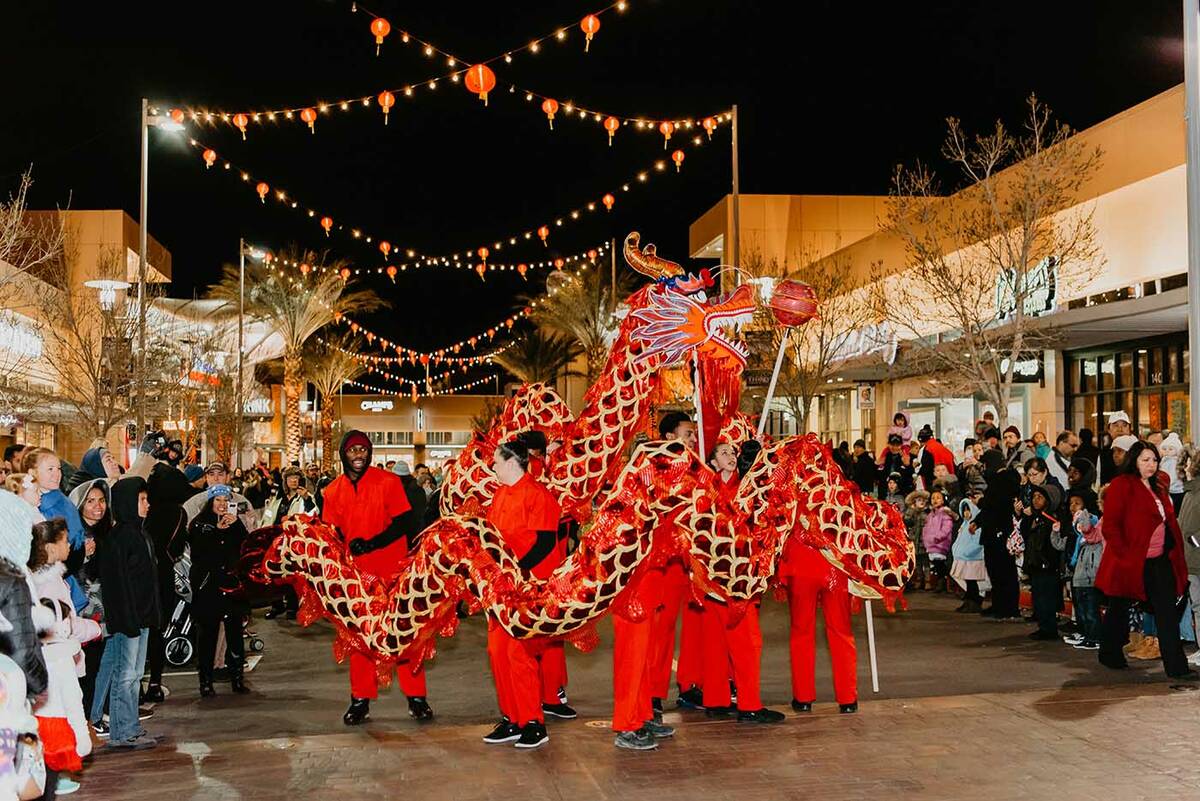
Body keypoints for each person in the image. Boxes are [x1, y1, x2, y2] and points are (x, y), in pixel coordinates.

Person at [322, 431, 431, 725]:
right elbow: (332, 533)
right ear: (343, 454)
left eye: (363, 449)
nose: (358, 454)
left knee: (406, 634)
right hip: (356, 580)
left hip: (393, 572)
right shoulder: (332, 491)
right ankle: (360, 700)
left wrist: (373, 543)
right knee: (359, 639)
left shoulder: (388, 482)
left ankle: (417, 698)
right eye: (352, 450)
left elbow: (405, 523)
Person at [481, 438, 564, 749]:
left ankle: (533, 722)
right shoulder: (500, 494)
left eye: (497, 462)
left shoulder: (538, 495)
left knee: (520, 654)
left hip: (526, 589)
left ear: (513, 463)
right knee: (497, 652)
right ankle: (512, 718)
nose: (493, 466)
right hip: (500, 590)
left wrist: (516, 572)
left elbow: (544, 544)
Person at [1095, 441, 1197, 679]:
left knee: (1166, 612)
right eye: (1145, 460)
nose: (1151, 465)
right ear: (1134, 461)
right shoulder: (1122, 486)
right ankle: (1109, 652)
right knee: (1118, 608)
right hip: (1130, 561)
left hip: (1159, 559)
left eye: (1154, 460)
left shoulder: (1159, 485)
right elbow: (1111, 526)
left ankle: (1176, 667)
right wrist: (1125, 554)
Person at [697, 443, 782, 725]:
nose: (731, 457)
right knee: (718, 644)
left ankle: (740, 701)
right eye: (724, 453)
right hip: (715, 579)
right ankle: (727, 702)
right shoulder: (704, 491)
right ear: (711, 460)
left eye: (733, 453)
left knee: (745, 642)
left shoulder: (744, 487)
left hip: (738, 579)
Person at [30, 518, 100, 797]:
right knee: (63, 710)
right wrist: (94, 628)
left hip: (52, 658)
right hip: (57, 659)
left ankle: (54, 770)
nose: (69, 544)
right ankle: (54, 771)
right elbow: (65, 623)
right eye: (64, 539)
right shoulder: (51, 586)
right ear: (49, 547)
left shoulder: (45, 579)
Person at [92, 476, 160, 750]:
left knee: (133, 675)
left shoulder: (139, 533)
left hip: (140, 618)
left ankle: (130, 727)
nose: (147, 505)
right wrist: (128, 620)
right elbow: (117, 585)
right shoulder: (120, 538)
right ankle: (123, 732)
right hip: (129, 621)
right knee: (126, 675)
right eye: (142, 500)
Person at [648, 412, 705, 710]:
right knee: (662, 628)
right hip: (666, 560)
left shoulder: (698, 470)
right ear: (670, 437)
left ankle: (690, 684)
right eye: (688, 433)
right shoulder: (654, 470)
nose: (693, 438)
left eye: (694, 433)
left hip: (693, 562)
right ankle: (654, 692)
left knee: (695, 626)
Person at [780, 535, 859, 715]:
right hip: (836, 561)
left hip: (801, 562)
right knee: (841, 631)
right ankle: (848, 699)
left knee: (801, 631)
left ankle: (803, 697)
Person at [186, 484, 251, 698]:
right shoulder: (199, 525)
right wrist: (218, 532)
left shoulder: (235, 523)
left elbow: (245, 547)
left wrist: (237, 526)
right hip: (208, 587)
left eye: (226, 500)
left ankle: (237, 678)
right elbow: (199, 553)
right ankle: (205, 681)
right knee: (207, 636)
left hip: (231, 587)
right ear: (210, 502)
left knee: (235, 635)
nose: (222, 505)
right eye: (218, 500)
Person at [22, 449, 87, 614]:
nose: (57, 474)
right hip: (46, 582)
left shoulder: (63, 501)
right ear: (32, 472)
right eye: (50, 469)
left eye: (58, 469)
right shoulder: (29, 505)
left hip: (71, 574)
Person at [72, 480, 110, 716]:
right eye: (91, 501)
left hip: (104, 610)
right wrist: (82, 555)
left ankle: (95, 713)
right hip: (83, 610)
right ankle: (85, 717)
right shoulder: (75, 534)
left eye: (102, 500)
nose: (98, 506)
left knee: (99, 666)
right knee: (84, 667)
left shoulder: (107, 531)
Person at [977, 449, 1021, 620]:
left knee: (1003, 571)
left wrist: (980, 501)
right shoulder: (999, 480)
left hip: (999, 533)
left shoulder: (1002, 481)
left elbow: (994, 505)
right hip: (993, 532)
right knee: (995, 570)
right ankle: (999, 604)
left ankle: (1007, 607)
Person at [1021, 483, 1063, 640]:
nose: (1035, 500)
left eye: (1040, 497)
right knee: (1038, 596)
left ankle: (1050, 628)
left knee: (1047, 598)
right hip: (1036, 563)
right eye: (1034, 497)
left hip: (1048, 565)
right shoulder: (1035, 517)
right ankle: (1043, 626)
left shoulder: (1052, 519)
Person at [1063, 489, 1103, 651]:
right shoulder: (1079, 536)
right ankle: (1086, 634)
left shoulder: (1094, 521)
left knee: (1091, 609)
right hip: (1079, 574)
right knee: (1081, 608)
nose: (1073, 507)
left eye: (1077, 503)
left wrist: (1084, 515)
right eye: (1071, 503)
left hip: (1090, 574)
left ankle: (1094, 637)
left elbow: (1088, 527)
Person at [1178, 457, 1200, 668]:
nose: (1186, 466)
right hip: (1190, 559)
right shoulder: (1190, 494)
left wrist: (1194, 540)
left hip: (1195, 556)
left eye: (1190, 463)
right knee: (1197, 605)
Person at [951, 498, 986, 612]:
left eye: (968, 509)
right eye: (964, 510)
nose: (966, 512)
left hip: (973, 558)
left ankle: (974, 603)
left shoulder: (976, 525)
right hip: (964, 558)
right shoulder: (964, 525)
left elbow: (978, 542)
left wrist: (968, 552)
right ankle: (968, 602)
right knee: (968, 581)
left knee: (972, 582)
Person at [921, 488, 954, 593]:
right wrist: (926, 538)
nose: (935, 500)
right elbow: (926, 528)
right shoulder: (930, 514)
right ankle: (942, 580)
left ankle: (943, 581)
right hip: (931, 543)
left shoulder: (945, 513)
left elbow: (947, 528)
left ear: (943, 500)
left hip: (940, 543)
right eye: (933, 498)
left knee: (940, 563)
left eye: (938, 498)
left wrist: (937, 537)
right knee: (937, 564)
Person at [903, 489, 930, 591]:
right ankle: (919, 579)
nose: (922, 502)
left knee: (926, 562)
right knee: (917, 562)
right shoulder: (912, 512)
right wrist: (911, 510)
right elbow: (907, 521)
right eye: (919, 500)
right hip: (914, 540)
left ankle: (927, 580)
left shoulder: (927, 513)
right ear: (914, 502)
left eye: (923, 500)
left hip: (924, 541)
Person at [1100, 412, 1133, 484]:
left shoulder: (1137, 449)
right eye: (1116, 425)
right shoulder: (1104, 453)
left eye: (1124, 425)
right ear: (1109, 429)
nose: (1120, 429)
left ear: (1129, 429)